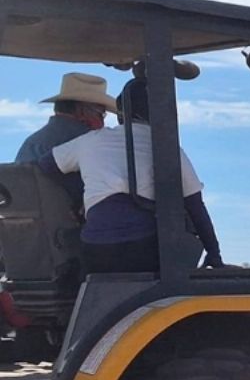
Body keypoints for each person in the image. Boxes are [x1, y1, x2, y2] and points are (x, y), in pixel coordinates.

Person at [37, 79, 224, 274]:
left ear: (120, 115)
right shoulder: (169, 149)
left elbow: (46, 164)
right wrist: (214, 254)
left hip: (96, 249)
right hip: (144, 249)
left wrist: (80, 198)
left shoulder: (90, 140)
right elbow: (196, 207)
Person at [14, 72, 115, 163]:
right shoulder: (90, 142)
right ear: (82, 111)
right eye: (101, 114)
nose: (102, 124)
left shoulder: (32, 143)